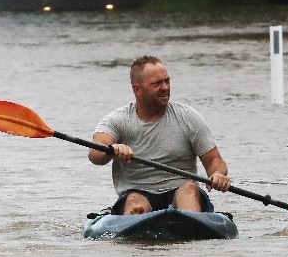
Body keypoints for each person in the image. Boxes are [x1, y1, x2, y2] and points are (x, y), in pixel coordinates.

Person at [89, 55, 231, 215]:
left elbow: (214, 160)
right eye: (157, 83)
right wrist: (112, 148)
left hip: (183, 190)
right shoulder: (117, 120)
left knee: (189, 189)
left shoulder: (188, 117)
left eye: (167, 81)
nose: (165, 87)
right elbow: (96, 153)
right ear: (137, 89)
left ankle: (190, 221)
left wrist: (217, 174)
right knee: (133, 200)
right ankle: (138, 219)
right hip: (138, 192)